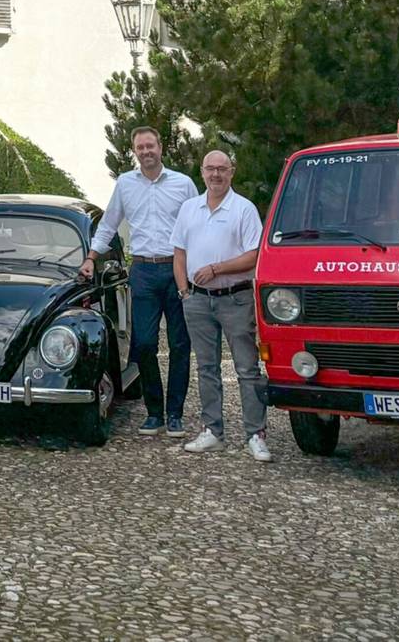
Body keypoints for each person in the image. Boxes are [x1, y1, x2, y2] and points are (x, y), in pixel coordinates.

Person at [84, 124, 198, 437]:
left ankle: (174, 414)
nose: (146, 152)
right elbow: (108, 226)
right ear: (135, 151)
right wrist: (91, 258)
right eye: (140, 148)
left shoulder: (183, 184)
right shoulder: (125, 184)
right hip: (144, 272)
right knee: (145, 343)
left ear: (161, 148)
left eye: (151, 146)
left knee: (179, 344)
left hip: (176, 270)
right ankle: (153, 412)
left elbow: (196, 226)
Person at [171, 149, 270, 461]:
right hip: (197, 300)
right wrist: (184, 291)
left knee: (247, 368)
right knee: (207, 368)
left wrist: (216, 269)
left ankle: (256, 434)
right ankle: (213, 431)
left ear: (232, 172)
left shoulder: (243, 209)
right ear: (202, 172)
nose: (216, 175)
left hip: (235, 299)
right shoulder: (189, 208)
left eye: (222, 169)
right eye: (210, 169)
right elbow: (179, 253)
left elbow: (254, 255)